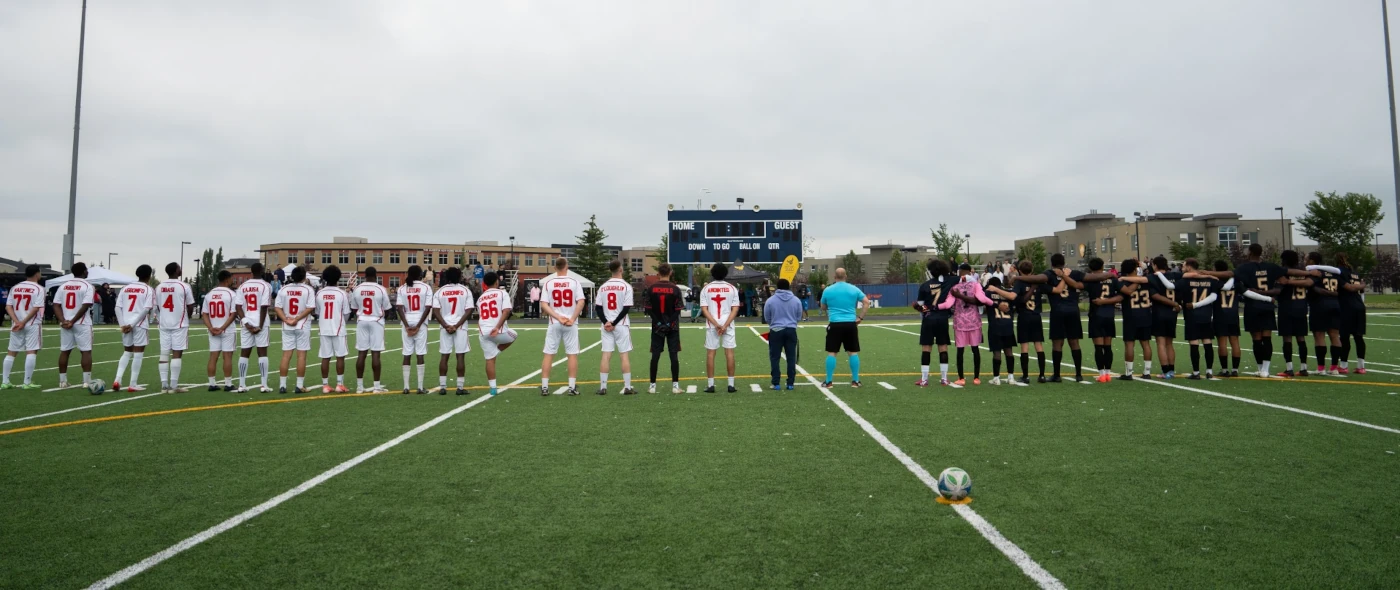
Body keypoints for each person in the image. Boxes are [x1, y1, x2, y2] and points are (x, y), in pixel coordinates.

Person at [1234, 243, 1285, 377]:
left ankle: (1260, 368)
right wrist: (1271, 292)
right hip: (1268, 306)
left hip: (1253, 305)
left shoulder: (1243, 268)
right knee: (1267, 337)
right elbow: (1284, 279)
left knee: (1257, 338)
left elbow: (1234, 280)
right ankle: (1265, 370)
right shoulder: (1271, 267)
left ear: (1250, 252)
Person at [938, 263, 994, 386]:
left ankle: (961, 378)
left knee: (960, 351)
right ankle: (976, 378)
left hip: (960, 322)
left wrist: (934, 307)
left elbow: (947, 305)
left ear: (963, 271)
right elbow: (982, 300)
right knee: (975, 349)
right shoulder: (976, 285)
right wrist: (994, 304)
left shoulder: (955, 287)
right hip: (974, 321)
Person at [540, 258, 585, 396]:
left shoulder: (549, 283)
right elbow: (581, 301)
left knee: (549, 354)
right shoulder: (574, 282)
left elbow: (544, 304)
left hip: (555, 323)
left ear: (555, 268)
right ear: (567, 267)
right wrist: (572, 318)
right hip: (570, 324)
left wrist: (557, 317)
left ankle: (544, 387)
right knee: (572, 355)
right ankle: (571, 387)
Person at [819, 267, 869, 388]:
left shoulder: (828, 290)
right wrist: (860, 317)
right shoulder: (853, 289)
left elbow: (823, 307)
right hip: (850, 324)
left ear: (834, 277)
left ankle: (829, 381)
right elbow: (866, 302)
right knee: (853, 352)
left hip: (835, 324)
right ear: (846, 276)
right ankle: (855, 380)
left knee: (832, 353)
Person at [912, 259, 958, 386]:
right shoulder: (950, 280)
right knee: (942, 347)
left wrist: (918, 308)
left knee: (926, 348)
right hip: (942, 318)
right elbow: (965, 278)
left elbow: (921, 307)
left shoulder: (925, 285)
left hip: (928, 319)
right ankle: (944, 378)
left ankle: (924, 379)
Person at [1012, 260, 1059, 384]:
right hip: (1036, 316)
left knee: (1025, 347)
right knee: (1038, 345)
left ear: (1020, 271)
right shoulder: (1038, 282)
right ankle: (1042, 375)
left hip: (1024, 315)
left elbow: (1019, 299)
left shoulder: (1019, 282)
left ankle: (1026, 376)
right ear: (1032, 271)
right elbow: (1055, 290)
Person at [1175, 258, 1221, 380]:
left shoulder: (1185, 280)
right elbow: (1214, 296)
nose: (1182, 267)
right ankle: (1209, 371)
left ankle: (1196, 372)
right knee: (1207, 342)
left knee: (1194, 343)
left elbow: (1171, 286)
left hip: (1191, 314)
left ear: (1189, 267)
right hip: (1206, 314)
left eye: (1183, 265)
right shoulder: (1209, 279)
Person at [431, 267, 474, 395]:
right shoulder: (465, 290)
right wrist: (456, 325)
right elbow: (469, 310)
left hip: (445, 327)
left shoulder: (440, 291)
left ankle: (443, 386)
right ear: (459, 276)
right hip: (460, 327)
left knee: (444, 355)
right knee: (460, 356)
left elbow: (436, 310)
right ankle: (460, 388)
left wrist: (445, 325)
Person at [54, 262, 97, 390]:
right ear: (84, 271)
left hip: (66, 322)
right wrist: (72, 321)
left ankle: (62, 381)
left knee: (65, 351)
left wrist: (63, 321)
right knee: (86, 351)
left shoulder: (63, 286)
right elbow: (86, 305)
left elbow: (56, 304)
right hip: (82, 322)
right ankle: (86, 381)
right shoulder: (88, 286)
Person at [154, 262, 196, 393]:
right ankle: (173, 386)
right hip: (179, 324)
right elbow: (190, 305)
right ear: (176, 271)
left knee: (164, 353)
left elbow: (158, 306)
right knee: (177, 354)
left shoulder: (159, 286)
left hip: (164, 323)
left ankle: (164, 385)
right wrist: (186, 318)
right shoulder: (184, 286)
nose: (181, 269)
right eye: (179, 268)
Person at [595, 260, 635, 395]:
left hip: (606, 326)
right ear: (621, 269)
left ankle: (603, 387)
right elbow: (626, 308)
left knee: (606, 354)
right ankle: (628, 386)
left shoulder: (603, 287)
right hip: (621, 325)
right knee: (624, 355)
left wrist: (606, 322)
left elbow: (598, 308)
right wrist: (614, 322)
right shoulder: (626, 286)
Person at [1, 265, 45, 389]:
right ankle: (27, 382)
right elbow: (36, 308)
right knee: (31, 351)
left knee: (11, 352)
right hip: (31, 323)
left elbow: (8, 306)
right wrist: (24, 322)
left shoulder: (15, 287)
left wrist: (17, 322)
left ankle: (5, 381)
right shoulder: (39, 289)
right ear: (37, 274)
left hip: (16, 324)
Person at [112, 265, 155, 392]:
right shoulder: (148, 289)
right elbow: (146, 309)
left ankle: (117, 380)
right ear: (149, 275)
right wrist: (133, 324)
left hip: (125, 324)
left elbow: (117, 307)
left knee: (127, 352)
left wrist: (123, 325)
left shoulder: (125, 288)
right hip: (139, 324)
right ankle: (133, 384)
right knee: (138, 354)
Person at [274, 267, 315, 393]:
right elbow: (310, 308)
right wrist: (297, 319)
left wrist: (286, 320)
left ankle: (282, 385)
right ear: (304, 277)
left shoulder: (284, 289)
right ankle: (299, 385)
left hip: (288, 325)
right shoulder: (308, 289)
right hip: (302, 325)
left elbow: (277, 307)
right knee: (301, 355)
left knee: (286, 355)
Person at [701, 263, 741, 393]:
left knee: (711, 353)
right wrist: (724, 325)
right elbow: (735, 309)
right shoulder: (732, 288)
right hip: (727, 324)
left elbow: (704, 310)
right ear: (725, 274)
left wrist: (716, 324)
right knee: (729, 352)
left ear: (712, 273)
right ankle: (731, 385)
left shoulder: (706, 289)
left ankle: (711, 385)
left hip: (712, 324)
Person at [476, 271, 517, 396]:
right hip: (497, 330)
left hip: (483, 331)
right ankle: (497, 351)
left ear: (484, 284)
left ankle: (493, 388)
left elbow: (481, 316)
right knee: (514, 335)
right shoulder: (502, 293)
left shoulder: (480, 298)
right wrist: (497, 327)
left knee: (489, 360)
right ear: (496, 282)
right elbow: (506, 311)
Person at [645, 264, 685, 393]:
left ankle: (652, 385)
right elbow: (678, 310)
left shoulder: (651, 288)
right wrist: (668, 323)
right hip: (672, 326)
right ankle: (675, 386)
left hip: (657, 326)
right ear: (671, 272)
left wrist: (658, 322)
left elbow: (648, 309)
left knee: (655, 355)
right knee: (673, 355)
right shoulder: (675, 289)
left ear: (658, 273)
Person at [352, 267, 392, 394]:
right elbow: (387, 307)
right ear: (376, 275)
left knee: (361, 353)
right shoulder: (380, 289)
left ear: (364, 276)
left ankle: (359, 386)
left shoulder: (357, 289)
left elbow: (354, 308)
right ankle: (376, 386)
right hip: (376, 321)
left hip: (362, 320)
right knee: (376, 353)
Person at [1081, 258, 1122, 383]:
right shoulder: (1112, 279)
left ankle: (1101, 374)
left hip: (1096, 314)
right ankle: (1108, 374)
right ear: (1102, 266)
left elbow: (1079, 286)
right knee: (1107, 346)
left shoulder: (1091, 280)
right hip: (1109, 314)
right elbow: (1122, 294)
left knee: (1098, 347)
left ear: (1090, 268)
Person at [396, 265, 434, 394]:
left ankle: (406, 387)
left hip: (407, 320)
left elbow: (399, 308)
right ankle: (420, 386)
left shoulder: (402, 288)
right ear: (420, 275)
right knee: (420, 353)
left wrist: (407, 325)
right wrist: (418, 325)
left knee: (406, 353)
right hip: (420, 321)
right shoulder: (426, 287)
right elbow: (428, 307)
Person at [235, 262, 273, 393]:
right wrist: (259, 326)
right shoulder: (265, 286)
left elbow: (238, 307)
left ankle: (241, 384)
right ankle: (263, 385)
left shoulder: (242, 286)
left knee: (244, 352)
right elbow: (264, 307)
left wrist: (246, 323)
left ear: (251, 271)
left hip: (247, 322)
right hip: (261, 323)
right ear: (262, 271)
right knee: (262, 352)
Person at [1305, 251, 1344, 375]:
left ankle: (1321, 368)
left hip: (1319, 305)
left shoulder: (1314, 273)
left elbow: (1313, 288)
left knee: (1319, 335)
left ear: (1311, 261)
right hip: (1335, 305)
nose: (1304, 260)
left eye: (1306, 258)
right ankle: (1334, 368)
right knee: (1335, 335)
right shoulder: (1333, 273)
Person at [1276, 250, 1313, 378]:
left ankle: (1289, 368)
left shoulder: (1283, 272)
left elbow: (1278, 289)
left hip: (1287, 308)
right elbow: (1310, 283)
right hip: (1301, 307)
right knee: (1301, 338)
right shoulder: (1302, 272)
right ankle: (1304, 367)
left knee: (1287, 338)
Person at [202, 270, 240, 391]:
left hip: (213, 329)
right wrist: (222, 328)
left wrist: (211, 328)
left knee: (213, 356)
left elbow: (204, 314)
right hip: (227, 329)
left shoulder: (209, 294)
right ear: (227, 279)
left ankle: (212, 383)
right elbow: (233, 314)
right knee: (227, 356)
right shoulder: (231, 294)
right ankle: (228, 383)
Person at [763, 278, 803, 390]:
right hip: (791, 329)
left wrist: (774, 324)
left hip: (776, 330)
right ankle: (790, 383)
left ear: (777, 287)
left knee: (775, 357)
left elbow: (767, 317)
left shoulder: (771, 300)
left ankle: (776, 383)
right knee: (791, 357)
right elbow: (799, 316)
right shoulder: (796, 300)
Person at [1117, 259, 1154, 380]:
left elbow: (1125, 292)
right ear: (1134, 268)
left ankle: (1128, 373)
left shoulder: (1123, 282)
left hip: (1131, 315)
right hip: (1145, 314)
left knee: (1129, 344)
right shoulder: (1145, 280)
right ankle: (1147, 372)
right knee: (1145, 343)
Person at [1147, 256, 1183, 379]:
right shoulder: (1176, 276)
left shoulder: (1152, 277)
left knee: (1161, 343)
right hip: (1172, 313)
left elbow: (1155, 296)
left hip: (1160, 312)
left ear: (1155, 265)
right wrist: (1176, 303)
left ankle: (1165, 370)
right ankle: (1171, 371)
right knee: (1169, 343)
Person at [316, 266, 351, 392]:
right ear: (338, 277)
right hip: (338, 328)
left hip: (324, 328)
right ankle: (339, 384)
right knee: (340, 357)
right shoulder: (342, 293)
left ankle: (325, 385)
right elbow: (346, 313)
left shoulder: (319, 293)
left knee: (325, 357)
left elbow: (318, 312)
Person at [982, 277, 1019, 385]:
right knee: (1009, 351)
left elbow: (981, 301)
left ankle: (996, 378)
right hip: (1007, 324)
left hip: (995, 325)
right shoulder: (1008, 293)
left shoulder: (988, 293)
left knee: (997, 352)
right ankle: (1011, 377)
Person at [1336, 253, 1368, 373]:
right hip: (1359, 306)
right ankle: (1361, 366)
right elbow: (1361, 291)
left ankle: (1343, 366)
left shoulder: (1339, 272)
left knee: (1344, 337)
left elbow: (1348, 288)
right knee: (1358, 337)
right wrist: (1362, 285)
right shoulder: (1355, 274)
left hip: (1346, 307)